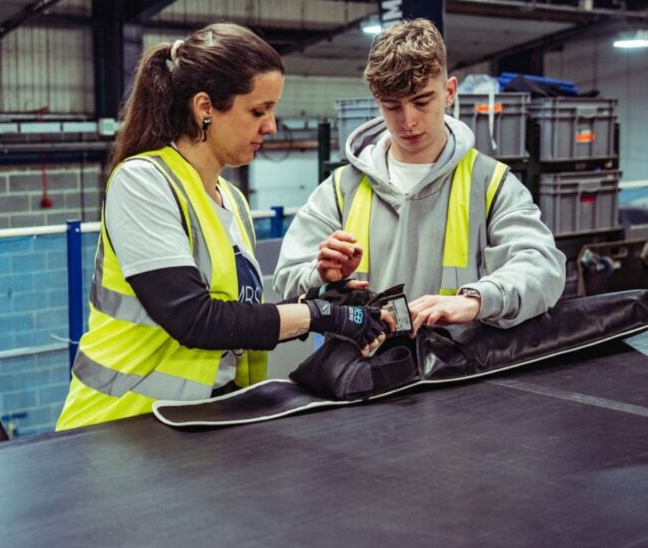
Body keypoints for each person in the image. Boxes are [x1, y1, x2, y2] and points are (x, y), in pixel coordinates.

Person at [57, 23, 396, 431]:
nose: (271, 126)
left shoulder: (231, 201)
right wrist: (319, 316)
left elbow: (242, 316)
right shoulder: (144, 182)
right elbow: (196, 319)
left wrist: (324, 294)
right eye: (258, 111)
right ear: (205, 108)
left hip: (201, 420)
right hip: (122, 423)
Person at [273, 19, 565, 334]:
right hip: (362, 373)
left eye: (422, 101)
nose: (408, 121)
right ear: (377, 101)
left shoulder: (492, 184)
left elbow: (543, 268)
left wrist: (476, 300)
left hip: (461, 373)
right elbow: (287, 280)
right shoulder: (341, 188)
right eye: (392, 106)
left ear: (449, 91)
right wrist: (319, 275)